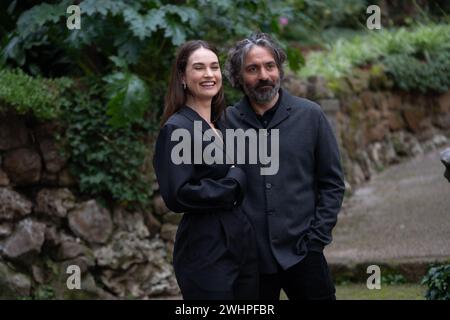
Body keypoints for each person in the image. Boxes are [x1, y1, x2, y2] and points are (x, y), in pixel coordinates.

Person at [223, 33, 345, 300]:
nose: (264, 75)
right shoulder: (226, 122)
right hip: (250, 261)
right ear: (239, 76)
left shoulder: (311, 115)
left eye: (269, 66)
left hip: (304, 254)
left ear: (279, 69)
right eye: (252, 69)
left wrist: (317, 238)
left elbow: (332, 182)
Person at [152, 40, 258, 300]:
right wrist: (232, 184)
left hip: (241, 241)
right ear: (183, 77)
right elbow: (177, 195)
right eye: (199, 68)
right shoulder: (177, 129)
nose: (209, 74)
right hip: (205, 246)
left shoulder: (222, 124)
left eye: (214, 67)